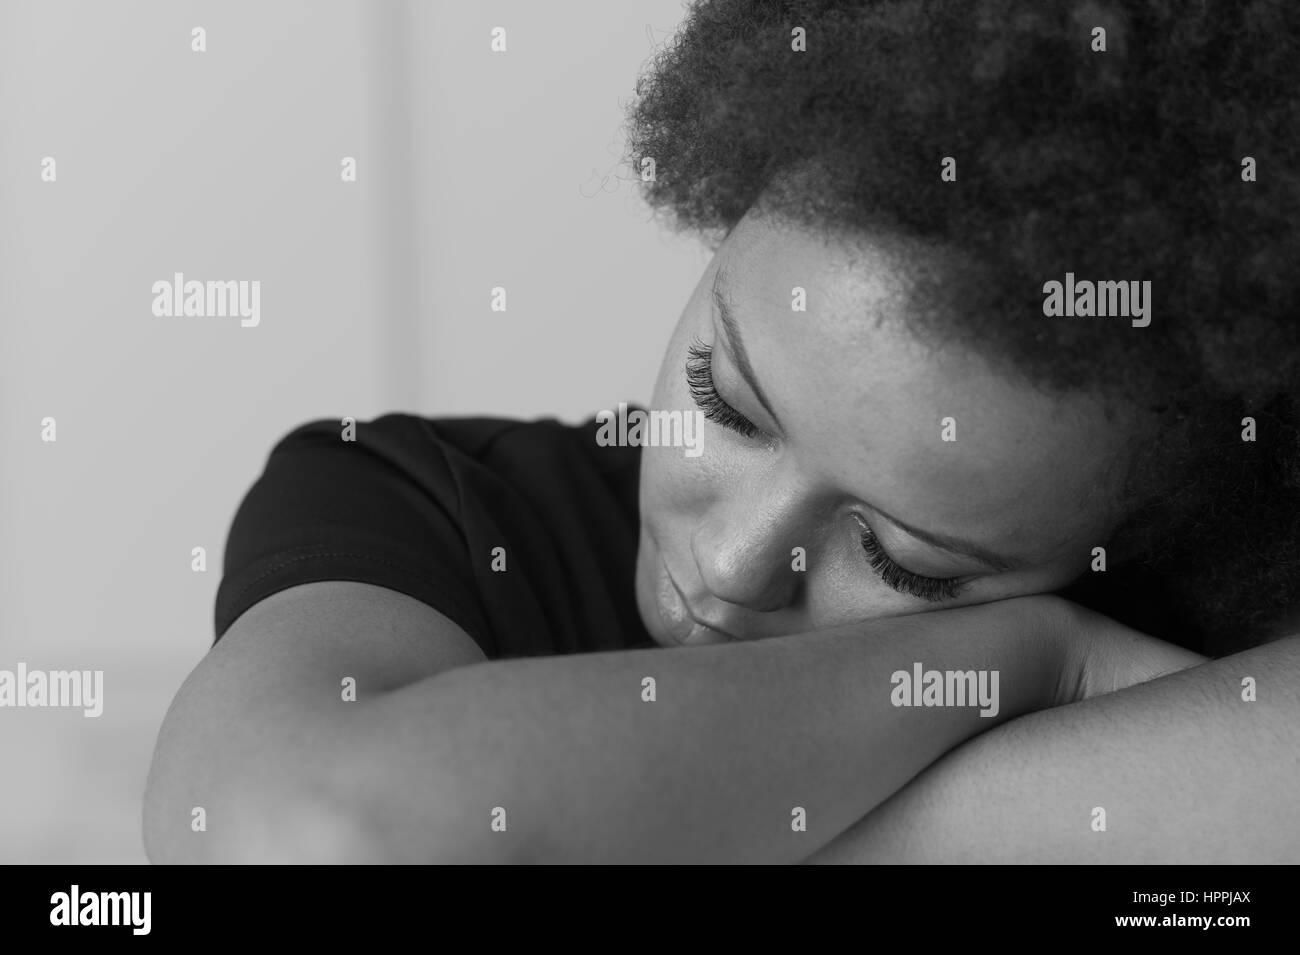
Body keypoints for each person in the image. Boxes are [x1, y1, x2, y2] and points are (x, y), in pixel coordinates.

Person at [143, 0, 1300, 863]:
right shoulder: (421, 502)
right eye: (725, 400)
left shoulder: (1212, 614)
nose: (738, 564)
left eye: (907, 560)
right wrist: (1028, 662)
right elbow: (310, 832)